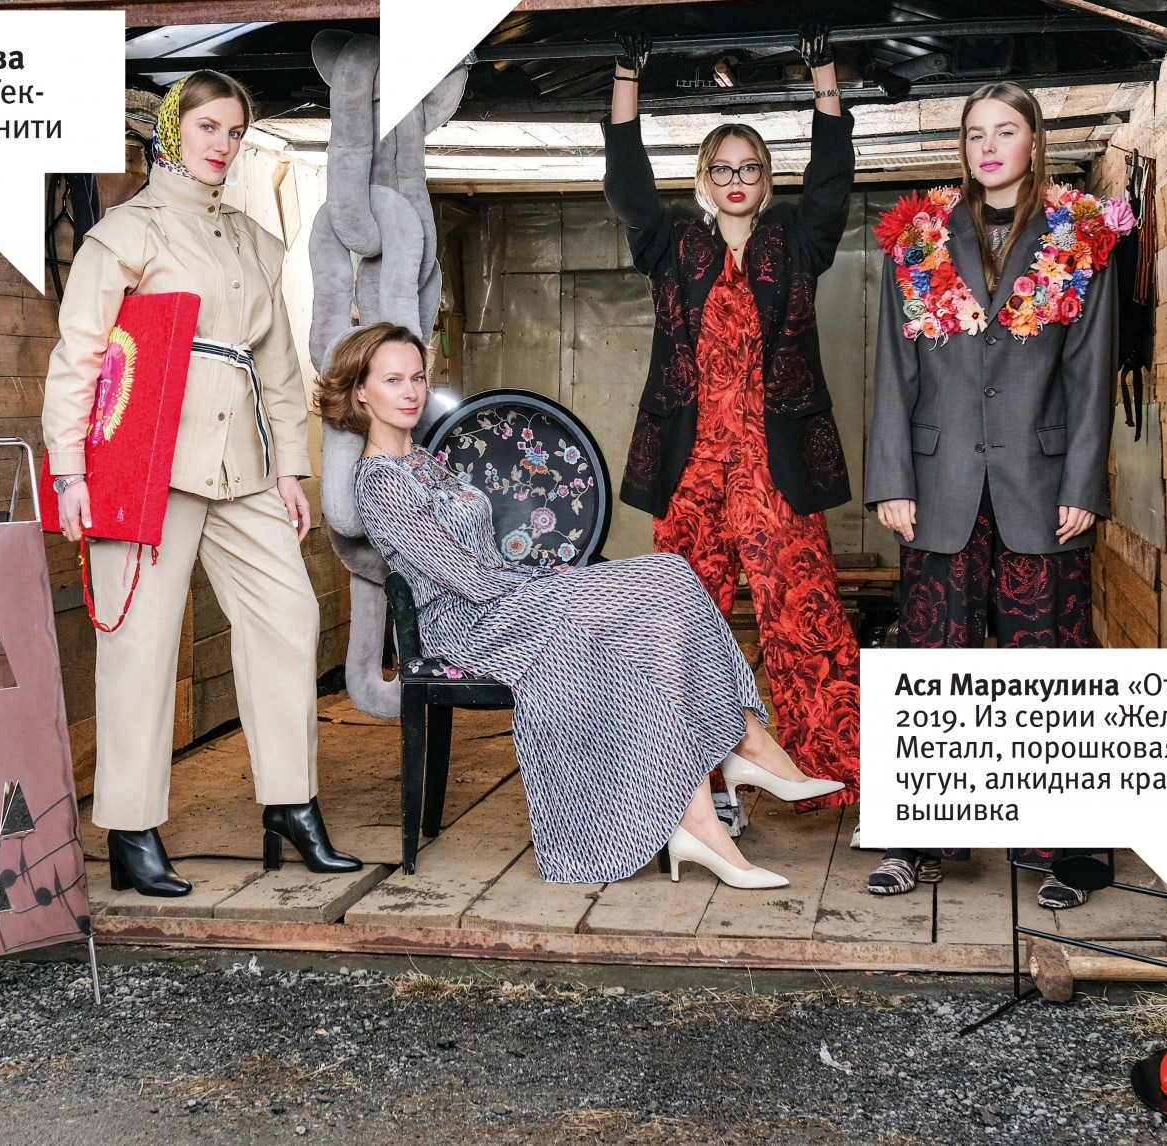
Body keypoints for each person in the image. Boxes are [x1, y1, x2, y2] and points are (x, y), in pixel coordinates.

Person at [328, 322, 846, 888]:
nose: (411, 392)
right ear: (361, 392)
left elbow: (484, 562)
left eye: (417, 378)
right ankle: (733, 762)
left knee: (669, 577)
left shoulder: (423, 460)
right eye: (393, 380)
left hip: (507, 599)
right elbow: (464, 578)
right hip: (469, 624)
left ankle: (719, 784)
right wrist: (555, 581)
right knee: (633, 607)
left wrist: (550, 583)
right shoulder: (379, 481)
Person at [44, 70, 359, 899]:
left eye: (236, 132)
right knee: (140, 642)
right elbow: (79, 355)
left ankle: (291, 805)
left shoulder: (256, 241)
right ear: (173, 131)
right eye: (209, 127)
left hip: (242, 464)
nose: (223, 144)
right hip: (148, 463)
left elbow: (278, 366)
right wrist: (70, 471)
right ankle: (131, 828)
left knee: (290, 617)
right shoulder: (127, 233)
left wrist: (289, 468)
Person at [863, 81, 1130, 908]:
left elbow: (1091, 375)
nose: (988, 146)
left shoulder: (1078, 236)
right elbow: (893, 367)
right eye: (975, 132)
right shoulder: (918, 237)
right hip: (936, 482)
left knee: (1049, 665)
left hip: (1041, 486)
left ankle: (1069, 847)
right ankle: (917, 838)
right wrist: (891, 480)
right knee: (930, 663)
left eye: (1004, 131)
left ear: (1034, 141)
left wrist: (1083, 481)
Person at [599, 25, 863, 820]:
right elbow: (628, 186)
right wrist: (626, 79)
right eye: (723, 168)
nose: (737, 179)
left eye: (750, 168)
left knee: (806, 619)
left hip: (775, 468)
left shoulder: (797, 243)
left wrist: (824, 79)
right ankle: (698, 795)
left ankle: (841, 777)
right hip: (692, 468)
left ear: (766, 178)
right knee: (685, 628)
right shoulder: (672, 245)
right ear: (704, 180)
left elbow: (832, 182)